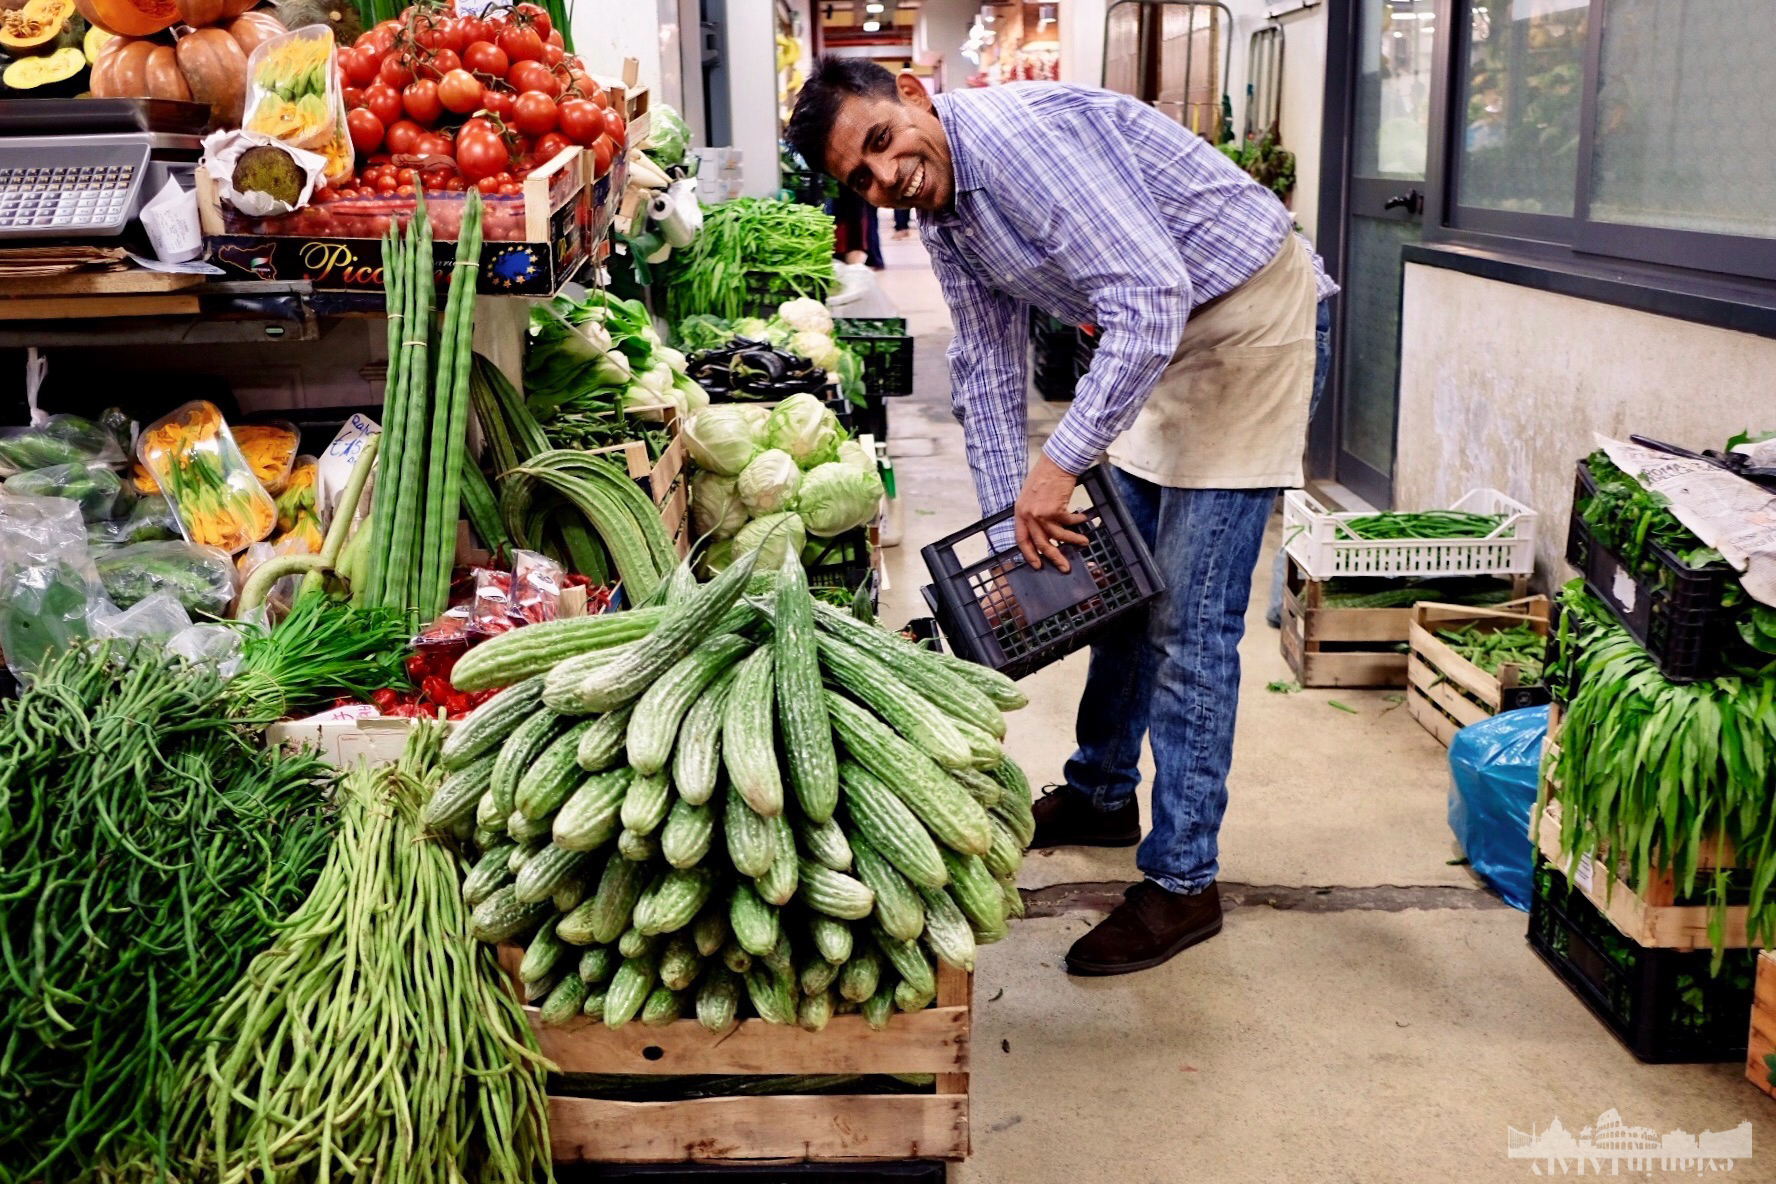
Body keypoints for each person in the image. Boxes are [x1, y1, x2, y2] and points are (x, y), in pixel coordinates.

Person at [787, 58, 1337, 977]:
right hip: (1155, 338)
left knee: (1188, 623)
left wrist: (1062, 460)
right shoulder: (945, 214)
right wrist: (1013, 527)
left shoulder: (1019, 143)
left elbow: (1151, 297)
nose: (888, 178)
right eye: (863, 178)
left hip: (1242, 320)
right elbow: (989, 363)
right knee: (1125, 583)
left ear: (915, 95)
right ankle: (1102, 792)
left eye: (882, 140)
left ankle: (1183, 882)